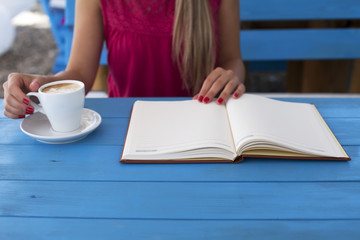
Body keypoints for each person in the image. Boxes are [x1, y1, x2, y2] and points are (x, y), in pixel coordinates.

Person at [3, 0, 246, 119]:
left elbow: (232, 60)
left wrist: (231, 76)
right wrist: (37, 86)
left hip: (203, 123)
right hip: (125, 127)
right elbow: (79, 74)